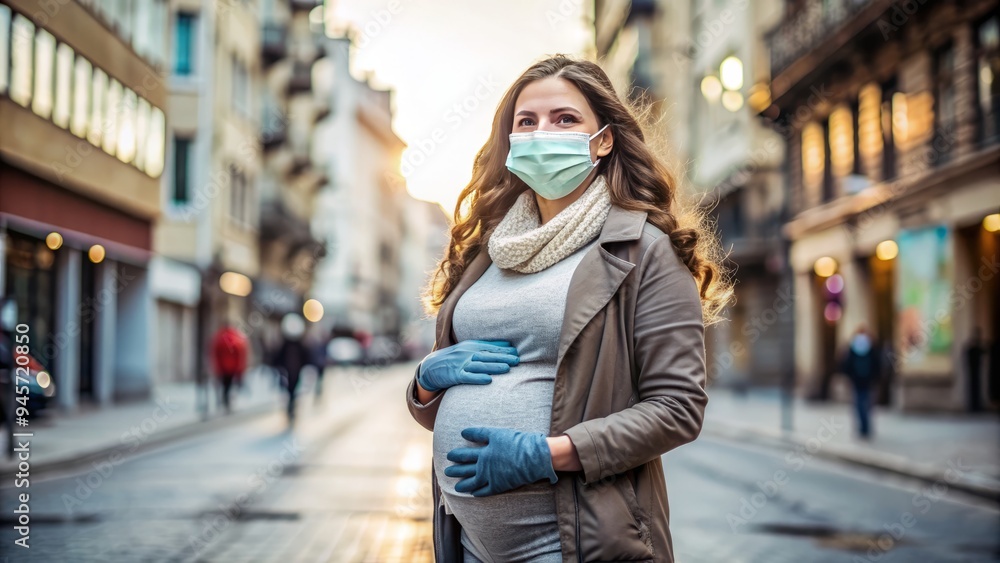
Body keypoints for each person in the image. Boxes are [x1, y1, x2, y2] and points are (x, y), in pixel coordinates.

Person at [404, 55, 731, 562]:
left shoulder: (643, 251)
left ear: (603, 139)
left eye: (565, 119)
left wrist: (547, 455)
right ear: (509, 143)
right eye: (526, 122)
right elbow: (441, 404)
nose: (542, 133)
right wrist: (425, 381)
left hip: (573, 542)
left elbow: (677, 410)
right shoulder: (486, 251)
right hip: (468, 545)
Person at [839, 323, 883, 439]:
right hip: (868, 380)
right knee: (867, 403)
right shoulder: (871, 346)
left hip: (856, 380)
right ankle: (866, 426)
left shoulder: (853, 346)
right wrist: (876, 377)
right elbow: (877, 363)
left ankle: (862, 427)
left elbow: (846, 363)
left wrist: (849, 376)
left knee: (858, 403)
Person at [273, 313, 310, 422]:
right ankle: (291, 407)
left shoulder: (298, 345)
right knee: (290, 390)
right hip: (288, 371)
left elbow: (306, 356)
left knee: (293, 390)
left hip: (295, 371)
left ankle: (292, 406)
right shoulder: (288, 344)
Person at [209, 323, 248, 414]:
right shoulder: (236, 339)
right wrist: (240, 368)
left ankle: (222, 401)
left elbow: (215, 352)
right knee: (229, 385)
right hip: (232, 367)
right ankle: (226, 402)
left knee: (222, 385)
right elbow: (240, 354)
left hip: (221, 366)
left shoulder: (219, 338)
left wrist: (216, 365)